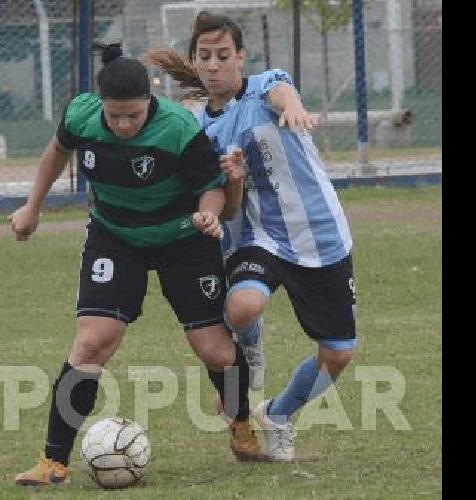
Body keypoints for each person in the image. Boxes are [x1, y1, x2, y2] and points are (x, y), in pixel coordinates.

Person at [8, 41, 262, 487]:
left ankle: (240, 421)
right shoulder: (82, 115)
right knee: (92, 343)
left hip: (184, 239)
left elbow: (213, 187)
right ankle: (53, 462)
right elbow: (55, 151)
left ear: (150, 103)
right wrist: (32, 207)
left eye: (134, 116)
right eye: (115, 116)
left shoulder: (179, 128)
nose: (124, 124)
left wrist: (207, 211)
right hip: (115, 236)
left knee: (216, 351)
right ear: (102, 105)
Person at [146, 11, 358, 462]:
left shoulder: (266, 87)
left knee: (338, 354)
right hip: (258, 235)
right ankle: (251, 349)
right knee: (242, 309)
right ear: (195, 61)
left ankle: (279, 415)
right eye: (205, 57)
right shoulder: (198, 126)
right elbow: (232, 204)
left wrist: (294, 107)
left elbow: (282, 94)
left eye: (224, 55)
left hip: (320, 234)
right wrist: (234, 179)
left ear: (241, 57)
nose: (215, 64)